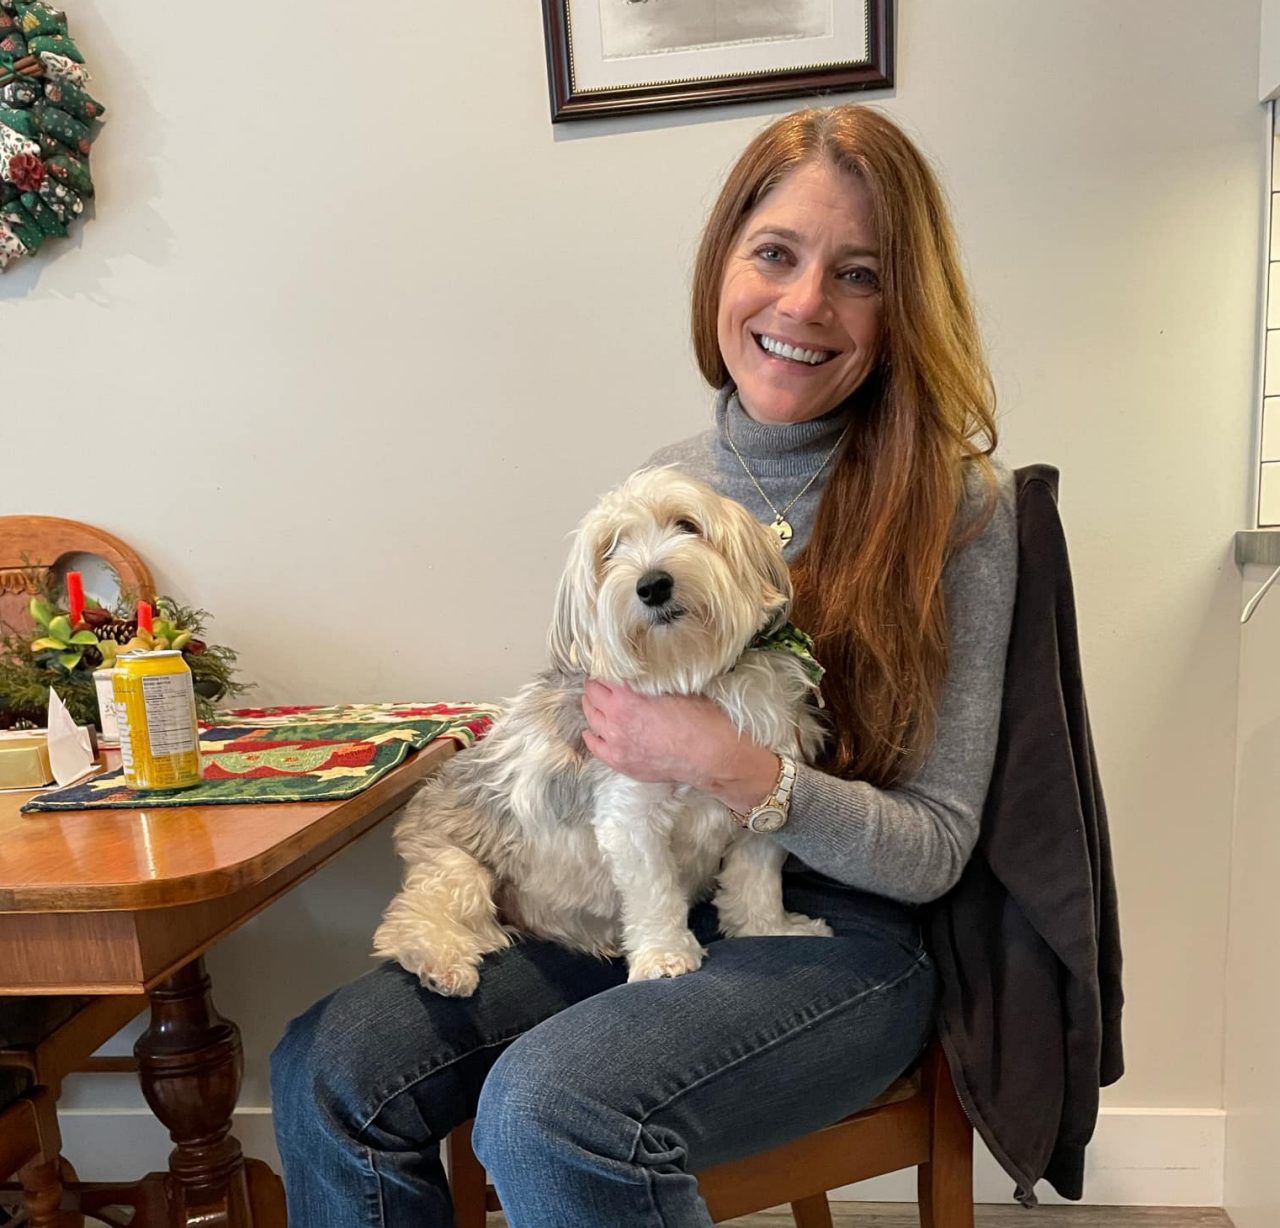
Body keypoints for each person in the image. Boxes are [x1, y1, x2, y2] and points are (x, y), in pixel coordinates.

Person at [270, 103, 1017, 1227]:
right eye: (774, 253)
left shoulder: (957, 511)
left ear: (900, 305)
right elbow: (598, 722)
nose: (803, 302)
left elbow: (937, 848)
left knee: (549, 1112)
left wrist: (742, 772)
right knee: (327, 1066)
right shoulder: (664, 481)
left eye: (856, 274)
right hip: (636, 894)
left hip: (846, 941)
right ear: (721, 262)